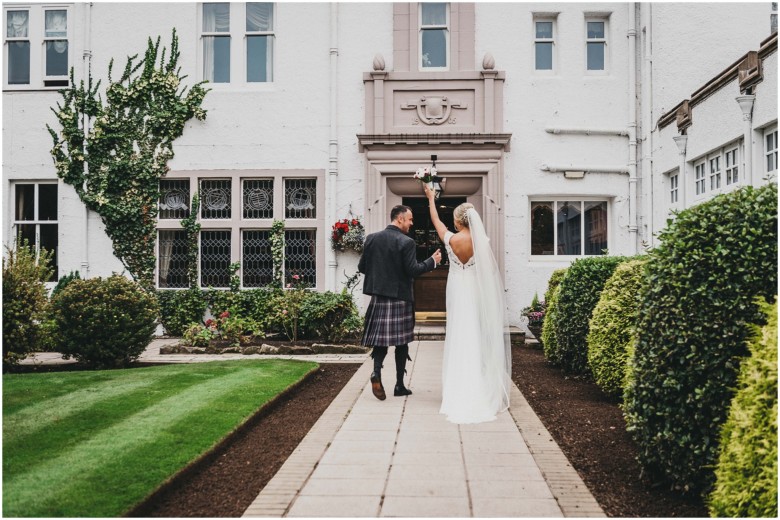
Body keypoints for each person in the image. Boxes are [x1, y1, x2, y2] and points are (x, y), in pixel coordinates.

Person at [423, 183, 512, 423]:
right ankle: (478, 387)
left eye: (454, 219)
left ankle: (457, 390)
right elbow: (489, 273)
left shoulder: (451, 239)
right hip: (475, 290)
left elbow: (436, 222)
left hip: (457, 290)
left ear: (459, 221)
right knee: (475, 334)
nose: (452, 223)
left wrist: (431, 198)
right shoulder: (481, 241)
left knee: (458, 334)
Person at [358, 204, 442, 400]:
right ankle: (399, 386)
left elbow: (362, 267)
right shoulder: (407, 242)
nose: (412, 223)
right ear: (400, 219)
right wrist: (432, 261)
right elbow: (413, 270)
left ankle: (376, 373)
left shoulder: (372, 238)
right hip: (400, 297)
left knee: (380, 340)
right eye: (410, 219)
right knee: (401, 342)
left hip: (379, 297)